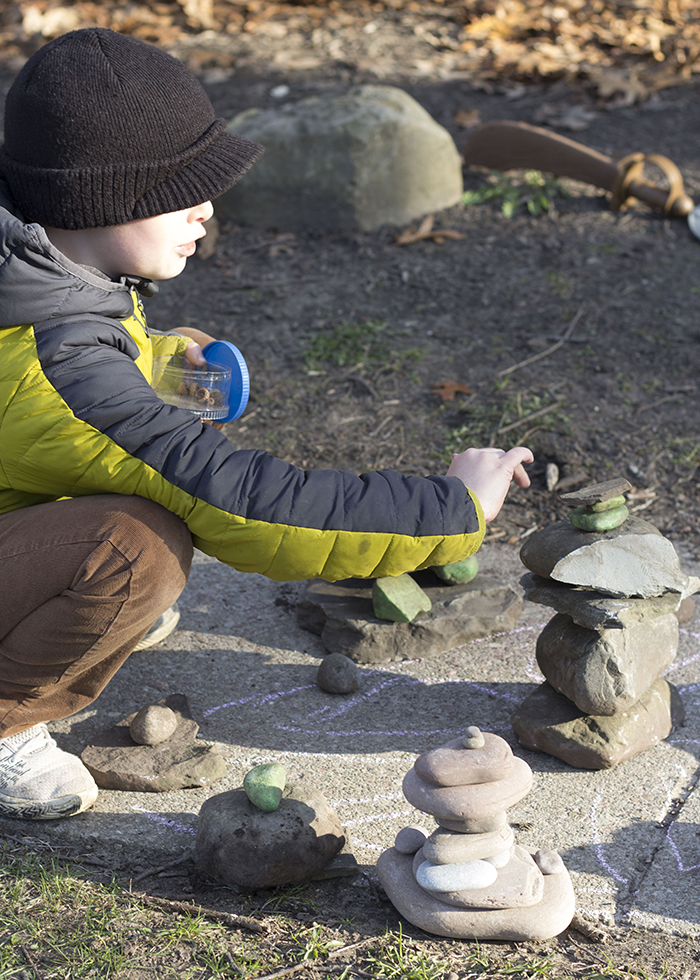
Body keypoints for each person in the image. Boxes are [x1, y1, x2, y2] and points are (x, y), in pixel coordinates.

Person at [0, 27, 533, 821]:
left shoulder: (34, 263)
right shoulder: (55, 365)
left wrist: (154, 361)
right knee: (137, 553)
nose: (207, 209)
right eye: (182, 190)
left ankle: (46, 606)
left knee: (135, 529)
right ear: (101, 196)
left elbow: (65, 387)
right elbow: (243, 501)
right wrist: (455, 507)